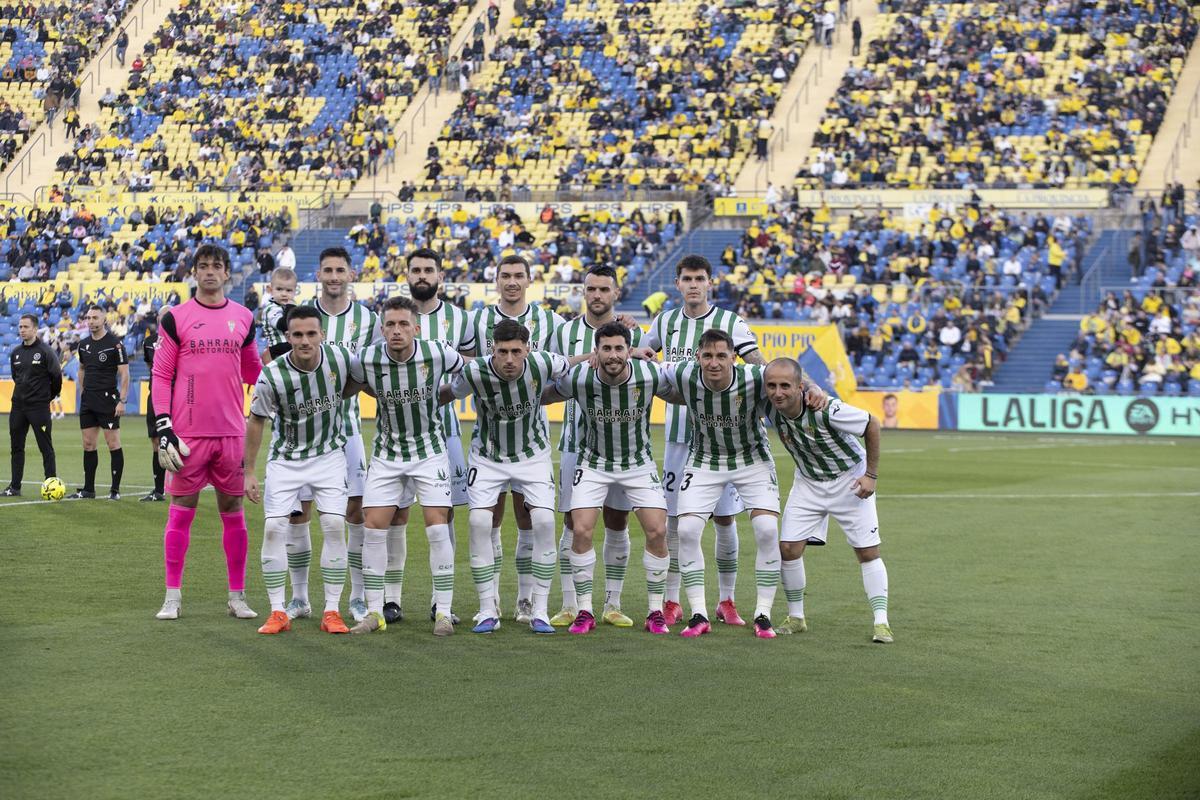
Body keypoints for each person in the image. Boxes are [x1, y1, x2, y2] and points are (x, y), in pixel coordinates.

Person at [441, 320, 587, 634]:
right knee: (480, 522)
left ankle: (540, 610)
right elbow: (450, 393)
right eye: (502, 352)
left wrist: (601, 355)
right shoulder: (475, 372)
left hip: (533, 456)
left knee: (545, 523)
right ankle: (486, 610)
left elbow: (572, 362)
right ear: (492, 350)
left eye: (516, 352)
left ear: (528, 350)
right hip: (488, 457)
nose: (509, 359)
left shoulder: (544, 362)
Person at [644, 255, 764, 627]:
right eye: (686, 279)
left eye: (700, 278)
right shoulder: (665, 321)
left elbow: (757, 362)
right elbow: (645, 355)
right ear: (677, 284)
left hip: (724, 439)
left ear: (710, 282)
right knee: (677, 521)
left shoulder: (730, 322)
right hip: (680, 438)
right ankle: (672, 600)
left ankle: (726, 600)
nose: (693, 284)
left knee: (725, 520)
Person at [151, 244, 262, 621]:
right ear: (194, 273)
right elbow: (162, 374)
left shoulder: (244, 318)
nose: (210, 272)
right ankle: (172, 595)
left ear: (228, 273)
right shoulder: (176, 318)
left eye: (217, 266)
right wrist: (164, 424)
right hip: (188, 435)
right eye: (203, 266)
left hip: (232, 433)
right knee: (181, 510)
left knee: (232, 510)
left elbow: (253, 374)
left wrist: (285, 375)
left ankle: (237, 596)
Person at [350, 297, 468, 636]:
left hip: (430, 451)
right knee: (373, 528)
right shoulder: (369, 358)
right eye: (391, 325)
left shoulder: (437, 353)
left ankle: (443, 612)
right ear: (382, 329)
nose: (397, 331)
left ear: (416, 328)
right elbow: (353, 383)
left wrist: (450, 393)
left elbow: (469, 370)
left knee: (437, 525)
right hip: (388, 454)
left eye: (404, 324)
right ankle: (374, 612)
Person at [546, 322, 672, 634]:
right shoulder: (579, 377)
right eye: (606, 348)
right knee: (582, 530)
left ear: (629, 351)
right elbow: (545, 394)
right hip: (593, 464)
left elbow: (684, 394)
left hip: (638, 464)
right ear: (597, 351)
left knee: (657, 532)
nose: (613, 355)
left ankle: (655, 611)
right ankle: (585, 610)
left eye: (619, 349)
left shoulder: (650, 374)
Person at [660, 330, 783, 639]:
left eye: (721, 356)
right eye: (707, 356)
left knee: (767, 530)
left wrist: (813, 388)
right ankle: (699, 613)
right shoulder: (684, 373)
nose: (714, 363)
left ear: (734, 358)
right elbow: (645, 369)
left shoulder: (756, 377)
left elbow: (789, 380)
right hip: (704, 460)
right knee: (686, 530)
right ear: (697, 357)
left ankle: (763, 614)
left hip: (751, 459)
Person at [244, 306, 356, 636]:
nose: (304, 340)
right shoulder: (273, 375)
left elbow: (360, 383)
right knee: (275, 528)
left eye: (311, 333)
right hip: (286, 459)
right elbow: (256, 422)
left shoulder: (340, 359)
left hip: (329, 456)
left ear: (322, 334)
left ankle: (332, 610)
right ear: (288, 337)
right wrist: (249, 471)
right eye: (297, 334)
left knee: (335, 524)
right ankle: (278, 610)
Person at [762, 358, 892, 643]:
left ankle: (881, 622)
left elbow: (872, 423)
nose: (778, 392)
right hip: (808, 481)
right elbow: (756, 363)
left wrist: (870, 475)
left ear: (800, 387)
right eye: (772, 386)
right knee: (788, 548)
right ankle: (796, 617)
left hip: (849, 479)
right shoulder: (769, 405)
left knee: (867, 552)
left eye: (785, 386)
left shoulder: (825, 409)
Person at [547, 266, 646, 628]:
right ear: (583, 292)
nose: (597, 295)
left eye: (604, 289)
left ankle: (612, 603)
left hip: (623, 447)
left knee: (617, 521)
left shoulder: (632, 332)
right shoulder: (565, 332)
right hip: (576, 443)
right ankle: (571, 604)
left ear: (616, 293)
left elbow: (647, 373)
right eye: (591, 289)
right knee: (573, 523)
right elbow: (552, 374)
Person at [467, 254, 565, 623]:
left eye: (518, 276)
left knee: (533, 520)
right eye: (505, 275)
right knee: (484, 521)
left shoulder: (549, 320)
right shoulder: (476, 319)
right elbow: (460, 363)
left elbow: (570, 359)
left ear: (529, 280)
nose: (511, 281)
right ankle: (487, 603)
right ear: (496, 281)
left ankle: (528, 602)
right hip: (488, 442)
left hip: (532, 442)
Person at [285, 248, 379, 624]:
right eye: (328, 270)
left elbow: (370, 371)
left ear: (352, 274)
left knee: (354, 512)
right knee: (298, 514)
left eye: (341, 270)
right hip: (304, 433)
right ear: (319, 274)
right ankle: (300, 597)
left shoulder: (368, 321)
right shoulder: (303, 316)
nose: (335, 276)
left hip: (348, 429)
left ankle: (356, 597)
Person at [390, 248, 477, 624]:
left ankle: (443, 602)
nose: (422, 275)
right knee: (395, 512)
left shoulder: (461, 320)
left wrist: (448, 394)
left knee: (445, 515)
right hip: (397, 434)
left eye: (428, 270)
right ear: (406, 275)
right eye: (416, 270)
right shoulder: (393, 316)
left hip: (446, 432)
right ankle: (391, 599)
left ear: (440, 276)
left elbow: (472, 370)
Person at [70, 305, 129, 500]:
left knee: (112, 444)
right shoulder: (83, 344)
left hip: (108, 400)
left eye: (95, 317)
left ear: (104, 319)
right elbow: (81, 369)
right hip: (89, 401)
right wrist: (83, 388)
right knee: (88, 444)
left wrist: (122, 400)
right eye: (88, 318)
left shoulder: (115, 344)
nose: (91, 321)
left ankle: (115, 490)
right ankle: (88, 490)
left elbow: (124, 373)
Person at [5, 314, 60, 496]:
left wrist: (46, 397)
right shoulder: (16, 353)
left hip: (39, 408)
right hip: (18, 407)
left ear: (35, 329)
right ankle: (14, 487)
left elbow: (56, 377)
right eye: (20, 327)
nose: (22, 330)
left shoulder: (45, 351)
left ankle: (51, 486)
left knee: (45, 447)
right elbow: (16, 377)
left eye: (25, 327)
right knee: (16, 447)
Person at [140, 313, 166, 501]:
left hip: (178, 396)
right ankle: (158, 490)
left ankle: (187, 486)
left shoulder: (182, 339)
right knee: (156, 441)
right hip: (155, 395)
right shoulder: (149, 341)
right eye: (163, 316)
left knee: (183, 441)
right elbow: (150, 364)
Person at [258, 266, 297, 363]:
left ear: (295, 291)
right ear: (271, 290)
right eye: (279, 289)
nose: (284, 294)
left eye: (288, 290)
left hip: (289, 346)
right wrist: (291, 307)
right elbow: (283, 325)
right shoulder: (271, 308)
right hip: (279, 348)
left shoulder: (285, 307)